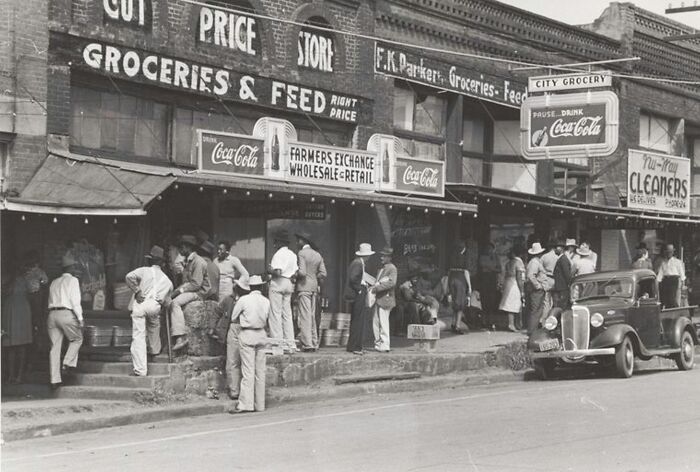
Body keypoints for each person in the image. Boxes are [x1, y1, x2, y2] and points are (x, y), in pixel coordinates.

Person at [124, 246, 173, 377]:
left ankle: (140, 370)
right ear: (161, 263)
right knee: (154, 325)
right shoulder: (168, 281)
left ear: (150, 260)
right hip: (154, 306)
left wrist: (137, 291)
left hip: (141, 303)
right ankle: (154, 351)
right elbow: (168, 301)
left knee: (139, 336)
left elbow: (129, 276)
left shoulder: (144, 271)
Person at [229, 275, 270, 414]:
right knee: (260, 371)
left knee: (248, 371)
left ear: (250, 287)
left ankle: (245, 404)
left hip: (247, 333)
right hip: (261, 334)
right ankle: (260, 404)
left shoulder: (244, 300)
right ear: (261, 287)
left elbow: (233, 317)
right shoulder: (266, 301)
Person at [46, 255, 84, 389]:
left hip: (52, 314)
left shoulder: (54, 282)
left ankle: (54, 380)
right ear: (71, 267)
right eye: (74, 266)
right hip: (66, 313)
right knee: (77, 339)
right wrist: (80, 318)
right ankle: (67, 363)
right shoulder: (73, 280)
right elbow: (75, 301)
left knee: (54, 347)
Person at [169, 235, 211, 351]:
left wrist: (179, 291)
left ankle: (181, 337)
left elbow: (196, 284)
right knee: (169, 300)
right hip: (191, 289)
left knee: (175, 303)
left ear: (188, 247)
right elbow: (186, 282)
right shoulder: (188, 261)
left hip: (199, 292)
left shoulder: (198, 262)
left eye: (182, 247)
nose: (180, 250)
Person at [294, 232, 327, 352]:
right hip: (314, 287)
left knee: (305, 316)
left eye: (298, 241)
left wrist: (295, 274)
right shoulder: (317, 255)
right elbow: (323, 273)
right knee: (312, 316)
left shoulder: (302, 253)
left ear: (303, 241)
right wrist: (313, 276)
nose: (297, 243)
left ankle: (307, 344)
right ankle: (314, 342)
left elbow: (302, 272)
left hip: (304, 287)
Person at [1, 265, 34, 384]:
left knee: (17, 345)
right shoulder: (8, 280)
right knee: (15, 345)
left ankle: (15, 375)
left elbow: (32, 291)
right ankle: (14, 375)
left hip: (17, 310)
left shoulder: (23, 279)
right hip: (15, 310)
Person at [268, 230, 298, 352]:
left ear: (279, 242)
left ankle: (277, 344)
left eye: (275, 241)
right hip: (289, 283)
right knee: (287, 314)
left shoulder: (278, 254)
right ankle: (290, 344)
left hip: (278, 282)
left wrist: (269, 269)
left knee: (275, 314)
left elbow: (278, 272)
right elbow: (296, 272)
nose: (274, 244)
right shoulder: (292, 254)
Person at [222, 276, 251, 400]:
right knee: (244, 362)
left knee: (233, 361)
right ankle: (241, 390)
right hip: (247, 329)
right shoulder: (231, 300)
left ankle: (235, 389)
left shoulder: (232, 300)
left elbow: (231, 316)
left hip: (236, 327)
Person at [345, 243, 374, 355]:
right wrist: (360, 289)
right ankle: (356, 346)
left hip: (356, 293)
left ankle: (352, 345)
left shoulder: (357, 262)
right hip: (358, 294)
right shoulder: (358, 264)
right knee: (358, 320)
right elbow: (353, 278)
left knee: (356, 319)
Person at [371, 247, 397, 353]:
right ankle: (378, 343)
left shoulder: (392, 268)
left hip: (386, 298)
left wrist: (377, 288)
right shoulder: (383, 268)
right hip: (379, 299)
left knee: (383, 322)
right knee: (376, 322)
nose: (381, 258)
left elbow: (391, 283)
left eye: (384, 256)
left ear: (389, 257)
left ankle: (385, 344)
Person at [23, 251, 49, 354]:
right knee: (36, 316)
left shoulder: (25, 271)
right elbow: (45, 281)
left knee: (31, 317)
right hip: (35, 295)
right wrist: (40, 281)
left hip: (27, 295)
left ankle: (32, 336)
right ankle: (36, 338)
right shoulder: (38, 271)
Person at [499, 247, 525, 332]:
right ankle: (512, 324)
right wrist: (521, 290)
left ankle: (513, 323)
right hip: (514, 284)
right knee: (515, 303)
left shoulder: (509, 262)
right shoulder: (519, 262)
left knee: (510, 303)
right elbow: (519, 277)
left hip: (508, 282)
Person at [448, 240, 472, 334]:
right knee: (460, 304)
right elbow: (466, 272)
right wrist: (469, 286)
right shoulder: (464, 258)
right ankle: (457, 326)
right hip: (460, 279)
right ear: (463, 248)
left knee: (455, 303)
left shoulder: (451, 258)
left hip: (451, 279)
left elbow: (448, 272)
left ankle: (453, 324)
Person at [525, 242, 549, 334]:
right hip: (536, 290)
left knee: (537, 310)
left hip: (537, 289)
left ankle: (533, 329)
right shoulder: (535, 262)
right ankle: (532, 331)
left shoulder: (534, 262)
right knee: (536, 310)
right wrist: (538, 286)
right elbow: (531, 275)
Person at [657, 243, 686, 308]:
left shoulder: (677, 262)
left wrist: (683, 284)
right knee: (665, 299)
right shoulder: (663, 262)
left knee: (672, 298)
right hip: (665, 280)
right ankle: (669, 313)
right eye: (667, 252)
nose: (668, 254)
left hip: (674, 280)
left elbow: (682, 274)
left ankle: (677, 311)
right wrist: (657, 281)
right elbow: (660, 274)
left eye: (670, 252)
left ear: (672, 252)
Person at [478, 242, 501, 318]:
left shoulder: (496, 257)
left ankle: (491, 319)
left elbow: (499, 269)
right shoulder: (482, 257)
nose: (489, 250)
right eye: (487, 248)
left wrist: (491, 268)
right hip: (485, 278)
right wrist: (492, 268)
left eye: (491, 249)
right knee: (484, 298)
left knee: (492, 299)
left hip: (493, 279)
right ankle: (484, 318)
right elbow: (482, 265)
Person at [552, 239, 576, 310]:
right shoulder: (561, 259)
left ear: (562, 249)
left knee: (562, 306)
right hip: (561, 287)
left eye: (557, 247)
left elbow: (567, 274)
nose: (555, 249)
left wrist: (569, 284)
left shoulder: (563, 259)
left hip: (563, 287)